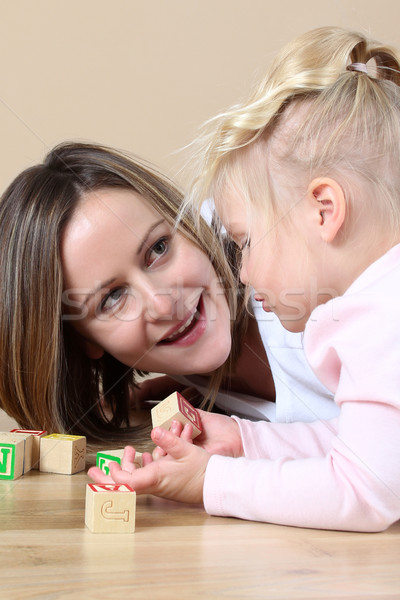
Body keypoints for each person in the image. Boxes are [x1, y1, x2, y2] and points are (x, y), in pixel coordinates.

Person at [90, 27, 400, 532]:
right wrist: (246, 441)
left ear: (324, 210)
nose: (241, 272)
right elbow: (369, 445)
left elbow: (365, 492)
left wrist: (213, 481)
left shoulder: (381, 318)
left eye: (245, 242)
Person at [0, 141, 334, 451]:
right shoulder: (185, 367)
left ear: (187, 223)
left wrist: (246, 440)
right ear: (84, 341)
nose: (163, 304)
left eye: (159, 249)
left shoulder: (300, 268)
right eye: (113, 298)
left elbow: (379, 452)